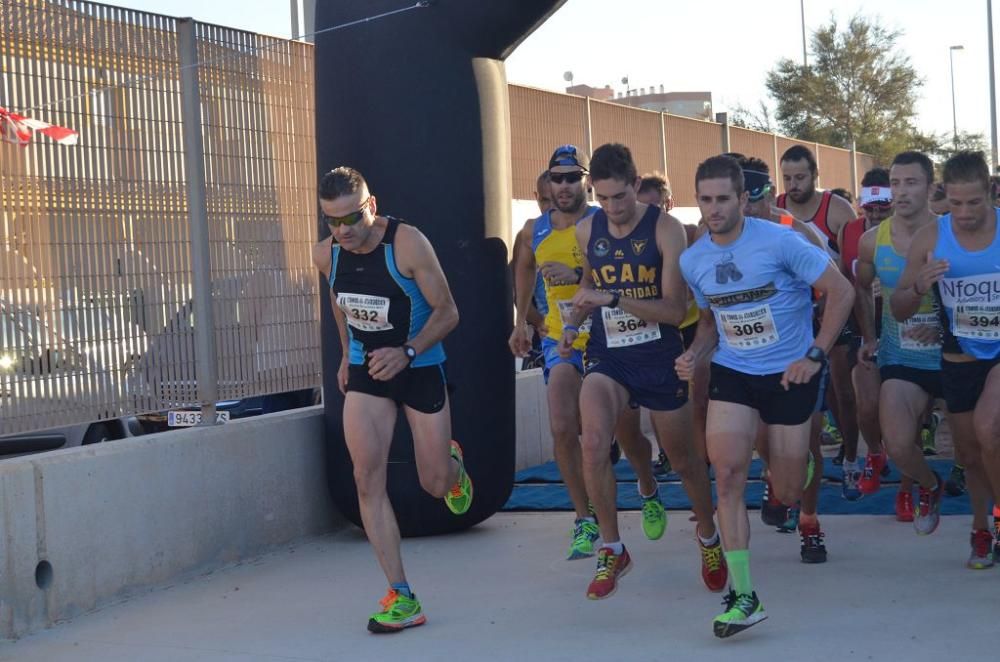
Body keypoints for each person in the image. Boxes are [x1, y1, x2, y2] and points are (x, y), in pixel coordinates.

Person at [679, 155, 854, 637]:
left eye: (722, 199)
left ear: (742, 198)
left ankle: (798, 471)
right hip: (734, 373)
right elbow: (713, 323)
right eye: (705, 200)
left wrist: (816, 355)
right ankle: (744, 594)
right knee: (730, 475)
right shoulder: (693, 259)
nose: (713, 210)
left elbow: (841, 292)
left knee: (789, 489)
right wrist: (695, 354)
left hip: (790, 375)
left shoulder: (780, 241)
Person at [560, 143, 726, 600]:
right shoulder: (587, 229)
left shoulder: (668, 230)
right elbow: (591, 283)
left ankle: (708, 536)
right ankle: (613, 547)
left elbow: (675, 310)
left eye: (620, 197)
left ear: (637, 185)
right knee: (593, 440)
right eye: (603, 197)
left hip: (658, 355)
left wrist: (613, 300)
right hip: (607, 353)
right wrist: (573, 323)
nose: (612, 208)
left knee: (687, 461)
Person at [312, 167, 472, 633]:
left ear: (372, 206)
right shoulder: (326, 255)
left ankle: (452, 464)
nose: (344, 230)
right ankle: (401, 595)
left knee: (436, 485)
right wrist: (346, 355)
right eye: (332, 222)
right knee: (366, 479)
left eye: (352, 218)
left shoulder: (407, 244)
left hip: (418, 365)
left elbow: (448, 312)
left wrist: (407, 352)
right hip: (367, 371)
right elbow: (341, 305)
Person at [510, 146, 667, 560]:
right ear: (547, 182)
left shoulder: (604, 222)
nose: (563, 185)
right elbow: (522, 271)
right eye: (556, 177)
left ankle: (647, 486)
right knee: (563, 427)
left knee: (627, 431)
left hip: (610, 339)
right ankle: (585, 519)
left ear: (586, 181)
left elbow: (619, 279)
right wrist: (523, 319)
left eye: (571, 177)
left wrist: (578, 276)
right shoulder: (533, 230)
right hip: (562, 339)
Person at [892, 150, 1000, 568]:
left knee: (990, 428)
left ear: (990, 191)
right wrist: (918, 285)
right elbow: (899, 307)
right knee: (970, 454)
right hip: (959, 357)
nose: (965, 212)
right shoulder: (931, 237)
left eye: (974, 202)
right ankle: (979, 528)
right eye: (955, 203)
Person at [778, 144, 861, 499]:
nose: (793, 184)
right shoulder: (777, 210)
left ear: (815, 176)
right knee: (808, 391)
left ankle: (852, 457)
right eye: (787, 178)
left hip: (833, 305)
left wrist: (829, 298)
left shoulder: (837, 209)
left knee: (842, 388)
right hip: (796, 311)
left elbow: (850, 268)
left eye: (800, 177)